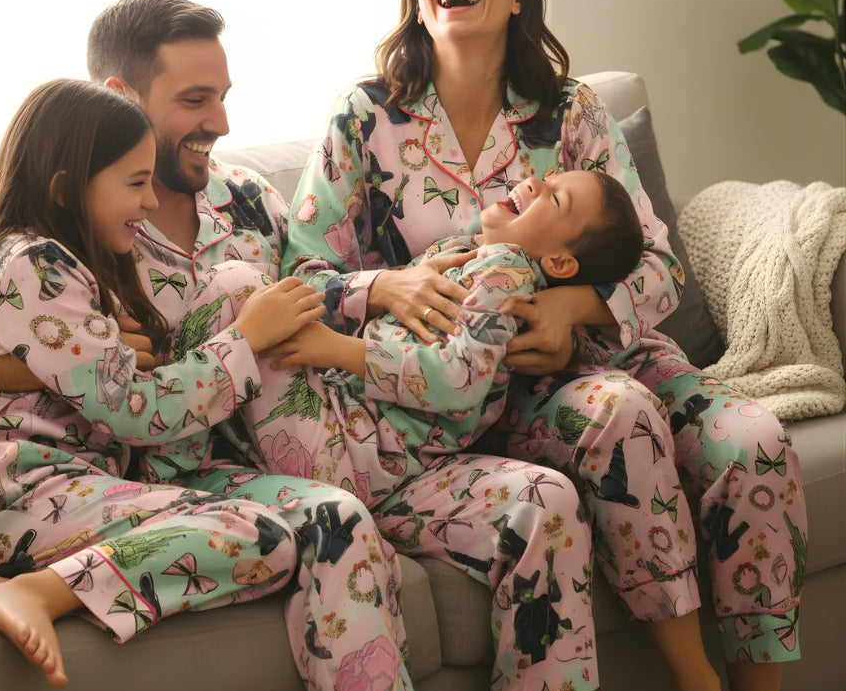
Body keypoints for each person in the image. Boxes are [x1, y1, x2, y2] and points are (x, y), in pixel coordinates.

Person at [282, 0, 807, 691]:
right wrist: (388, 288)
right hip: (494, 387)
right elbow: (301, 272)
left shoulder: (572, 113)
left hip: (616, 349)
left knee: (753, 441)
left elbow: (660, 261)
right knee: (614, 416)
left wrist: (576, 305)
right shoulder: (364, 119)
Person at [0, 78, 432, 691]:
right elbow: (127, 408)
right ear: (66, 187)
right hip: (27, 496)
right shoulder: (28, 258)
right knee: (264, 537)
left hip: (138, 475)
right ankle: (36, 588)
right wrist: (248, 337)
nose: (151, 202)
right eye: (134, 185)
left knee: (335, 516)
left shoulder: (111, 240)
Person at [249, 168, 643, 505]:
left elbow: (458, 382)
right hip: (343, 413)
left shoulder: (507, 276)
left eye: (556, 199)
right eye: (549, 178)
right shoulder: (470, 251)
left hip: (360, 453)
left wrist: (337, 349)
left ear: (559, 262)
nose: (535, 182)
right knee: (254, 313)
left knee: (240, 294)